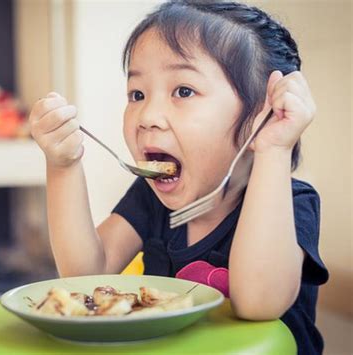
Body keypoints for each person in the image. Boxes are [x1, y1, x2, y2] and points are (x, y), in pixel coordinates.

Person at [29, 1, 329, 353]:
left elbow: (259, 302)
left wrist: (274, 149)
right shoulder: (149, 196)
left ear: (263, 115)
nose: (148, 116)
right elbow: (85, 273)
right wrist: (63, 166)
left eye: (183, 91)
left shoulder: (292, 204)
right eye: (137, 94)